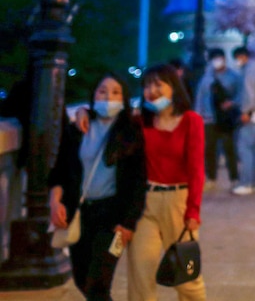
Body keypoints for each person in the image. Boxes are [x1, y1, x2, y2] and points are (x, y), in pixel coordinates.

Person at [49, 73, 146, 301]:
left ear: (124, 98)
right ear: (93, 94)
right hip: (80, 214)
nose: (108, 97)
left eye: (115, 92)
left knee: (98, 284)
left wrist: (129, 223)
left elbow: (137, 182)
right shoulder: (77, 129)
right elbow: (60, 171)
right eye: (102, 91)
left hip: (113, 218)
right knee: (82, 279)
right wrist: (55, 202)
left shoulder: (131, 132)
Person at [130, 64, 206, 301]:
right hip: (145, 203)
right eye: (147, 85)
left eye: (158, 84)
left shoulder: (190, 121)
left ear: (173, 88)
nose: (151, 90)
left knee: (186, 277)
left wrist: (193, 210)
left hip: (178, 203)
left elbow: (196, 169)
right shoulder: (140, 122)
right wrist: (84, 113)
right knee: (140, 274)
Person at [194, 48, 242, 191]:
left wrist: (232, 103)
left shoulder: (234, 76)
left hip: (226, 119)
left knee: (229, 149)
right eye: (214, 59)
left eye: (219, 58)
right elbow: (200, 98)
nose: (217, 62)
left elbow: (240, 95)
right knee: (210, 150)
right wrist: (198, 117)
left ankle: (234, 178)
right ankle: (211, 178)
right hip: (209, 119)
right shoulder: (206, 78)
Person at [232, 46, 255, 196]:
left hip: (252, 113)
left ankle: (246, 183)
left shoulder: (248, 71)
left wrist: (246, 111)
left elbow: (249, 93)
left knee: (246, 148)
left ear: (241, 56)